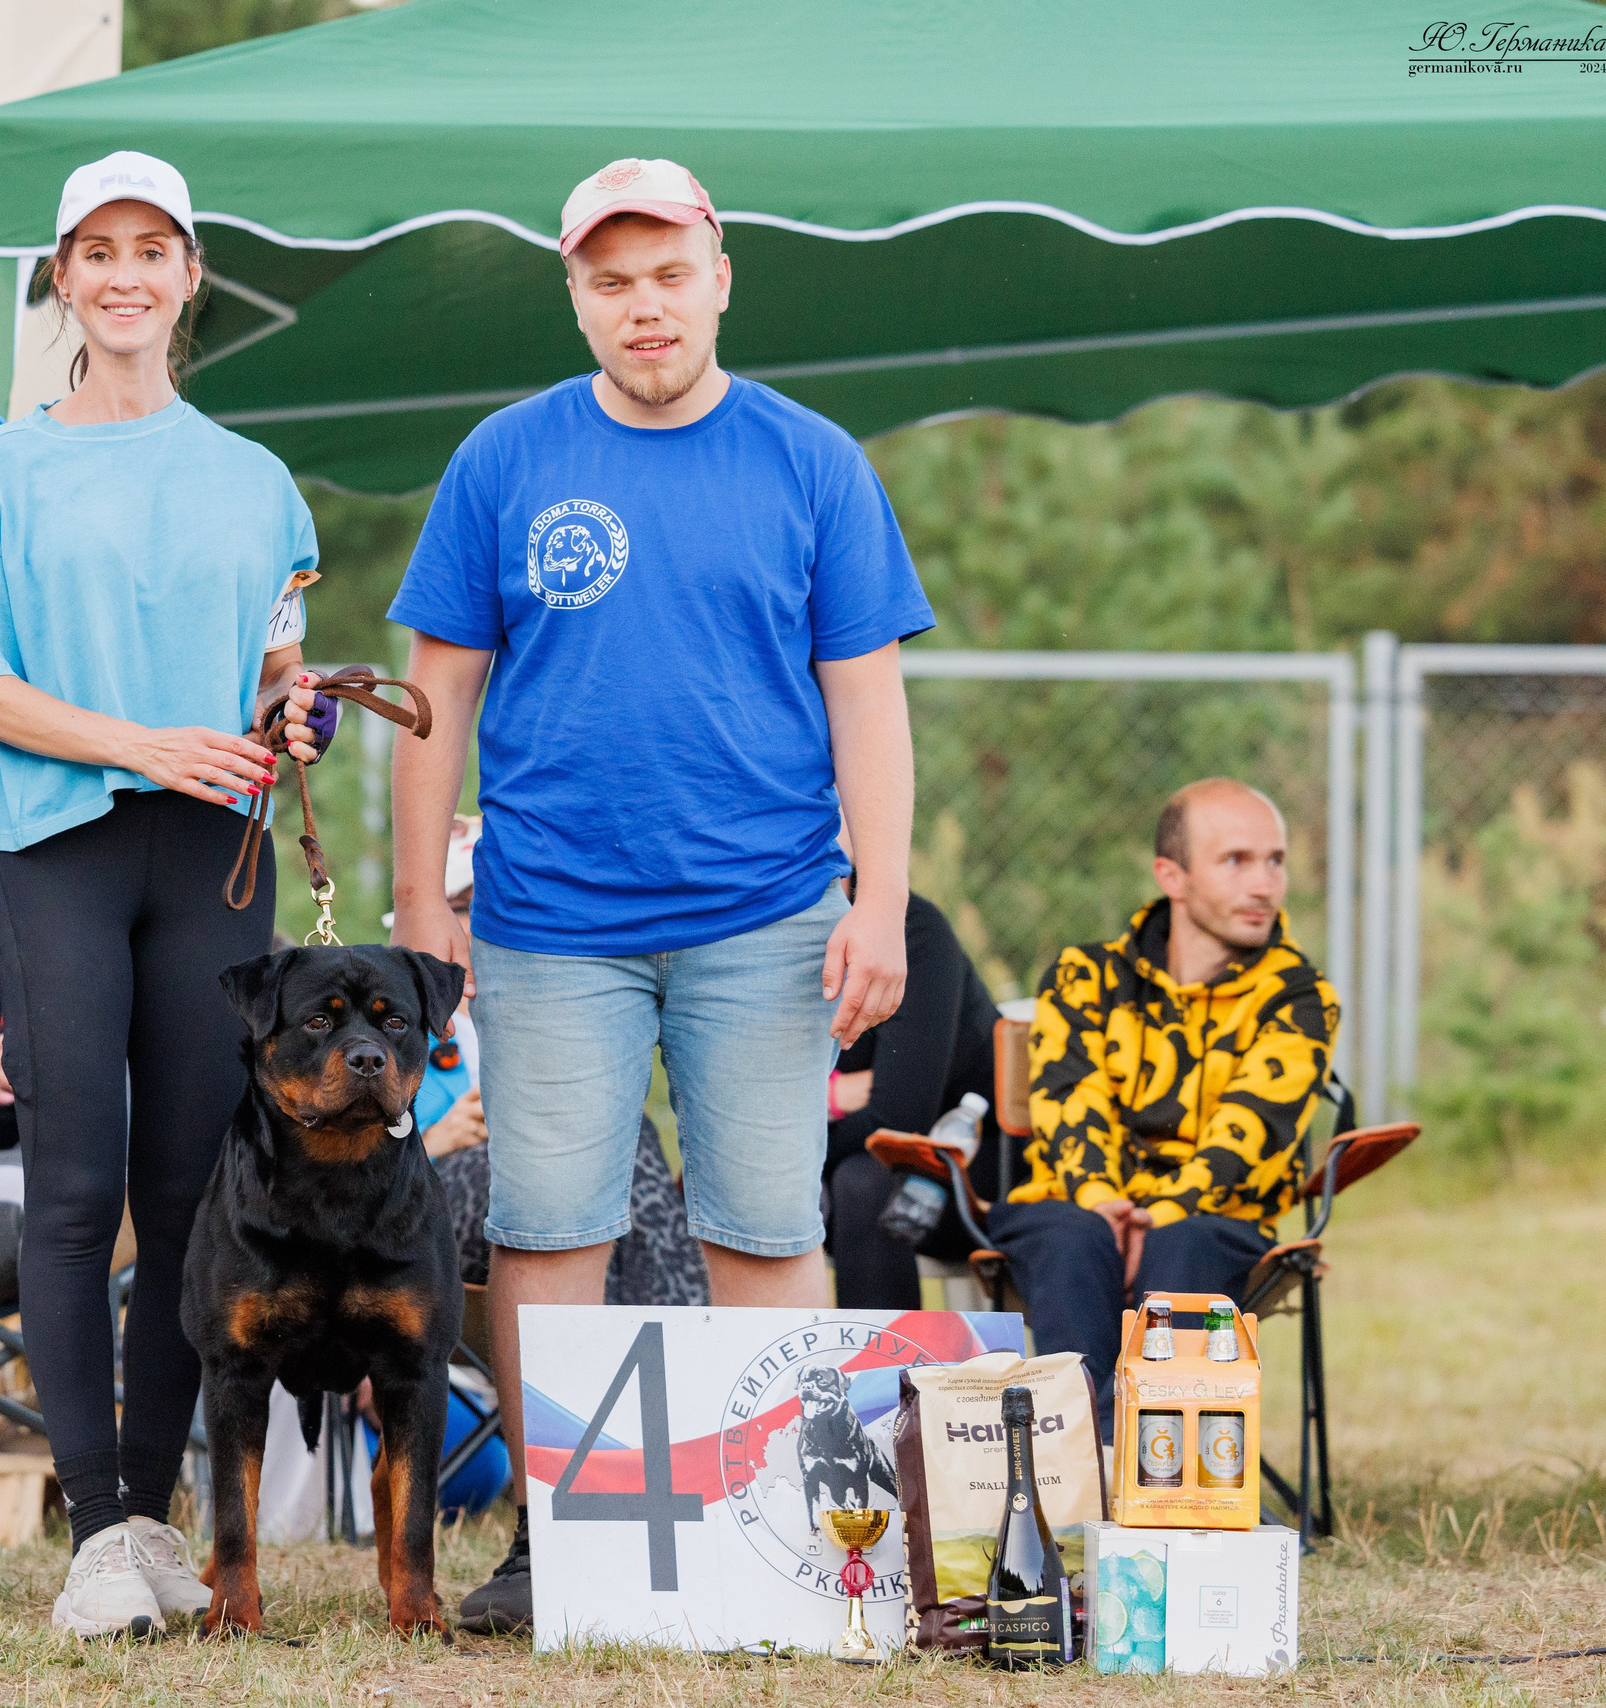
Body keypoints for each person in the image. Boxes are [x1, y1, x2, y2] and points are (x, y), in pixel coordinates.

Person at [387, 157, 932, 1633]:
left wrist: (878, 905)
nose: (644, 307)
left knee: (763, 1227)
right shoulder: (504, 459)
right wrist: (419, 908)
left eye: (668, 274)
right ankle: (564, 1536)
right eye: (611, 281)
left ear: (720, 276)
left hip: (768, 914)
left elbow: (870, 706)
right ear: (575, 295)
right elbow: (435, 693)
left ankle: (786, 1535)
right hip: (551, 917)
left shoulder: (813, 460)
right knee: (548, 1226)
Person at [0, 150, 323, 1641]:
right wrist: (138, 742)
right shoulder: (6, 468)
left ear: (190, 274)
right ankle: (93, 1533)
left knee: (190, 1198)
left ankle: (153, 1524)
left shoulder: (256, 483)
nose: (128, 275)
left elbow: (284, 675)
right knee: (78, 1191)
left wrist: (297, 719)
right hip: (64, 845)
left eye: (154, 249)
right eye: (99, 251)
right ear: (63, 278)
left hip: (214, 853)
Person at [991, 779, 1338, 1414]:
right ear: (1170, 876)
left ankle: (1157, 1474)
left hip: (1215, 1220)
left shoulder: (1300, 998)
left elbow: (1249, 1133)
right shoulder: (1083, 976)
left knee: (1185, 1244)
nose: (1264, 884)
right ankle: (1087, 1463)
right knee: (1073, 1235)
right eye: (1236, 860)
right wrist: (1107, 1207)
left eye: (1275, 860)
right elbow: (1072, 1105)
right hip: (1076, 1204)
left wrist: (1159, 1216)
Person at [411, 817, 708, 1310]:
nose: (482, 921)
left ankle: (645, 1350)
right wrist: (432, 1142)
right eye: (464, 907)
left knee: (627, 1140)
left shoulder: (559, 1014)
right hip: (436, 1199)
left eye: (493, 902)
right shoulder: (392, 1034)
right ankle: (675, 1335)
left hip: (561, 1186)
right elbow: (336, 1174)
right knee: (605, 1168)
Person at [822, 886, 1011, 1310]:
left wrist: (812, 1109)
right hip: (838, 1154)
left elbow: (895, 1117)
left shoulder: (913, 932)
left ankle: (885, 1372)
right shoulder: (758, 940)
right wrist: (834, 1096)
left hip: (969, 1163)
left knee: (864, 1184)